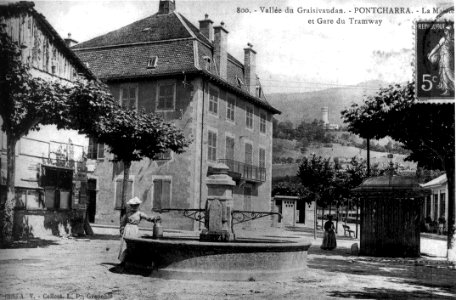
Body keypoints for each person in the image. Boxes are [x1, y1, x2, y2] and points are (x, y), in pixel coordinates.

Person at [118, 197, 161, 264]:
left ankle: (133, 260)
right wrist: (122, 230)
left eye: (136, 205)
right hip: (127, 229)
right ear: (131, 206)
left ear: (138, 206)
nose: (134, 207)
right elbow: (122, 223)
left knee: (134, 244)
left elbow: (147, 218)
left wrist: (154, 219)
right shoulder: (127, 214)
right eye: (132, 205)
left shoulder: (139, 213)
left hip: (134, 230)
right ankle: (124, 261)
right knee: (126, 244)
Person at [427, 24, 454, 96]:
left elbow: (436, 47)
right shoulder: (452, 39)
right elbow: (437, 47)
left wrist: (430, 55)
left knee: (449, 73)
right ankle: (447, 90)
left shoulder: (445, 39)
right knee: (443, 72)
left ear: (448, 31)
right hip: (445, 58)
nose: (445, 31)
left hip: (447, 58)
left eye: (447, 30)